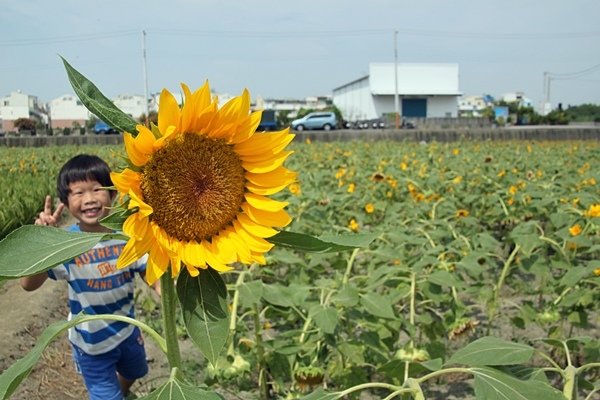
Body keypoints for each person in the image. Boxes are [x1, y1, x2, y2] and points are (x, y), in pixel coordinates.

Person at [20, 154, 153, 400]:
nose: (89, 199)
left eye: (97, 189)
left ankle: (121, 391)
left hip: (127, 330)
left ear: (113, 194)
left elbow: (150, 274)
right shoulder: (67, 244)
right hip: (91, 345)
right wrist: (45, 244)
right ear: (66, 202)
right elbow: (28, 285)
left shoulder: (127, 236)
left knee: (136, 371)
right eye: (78, 193)